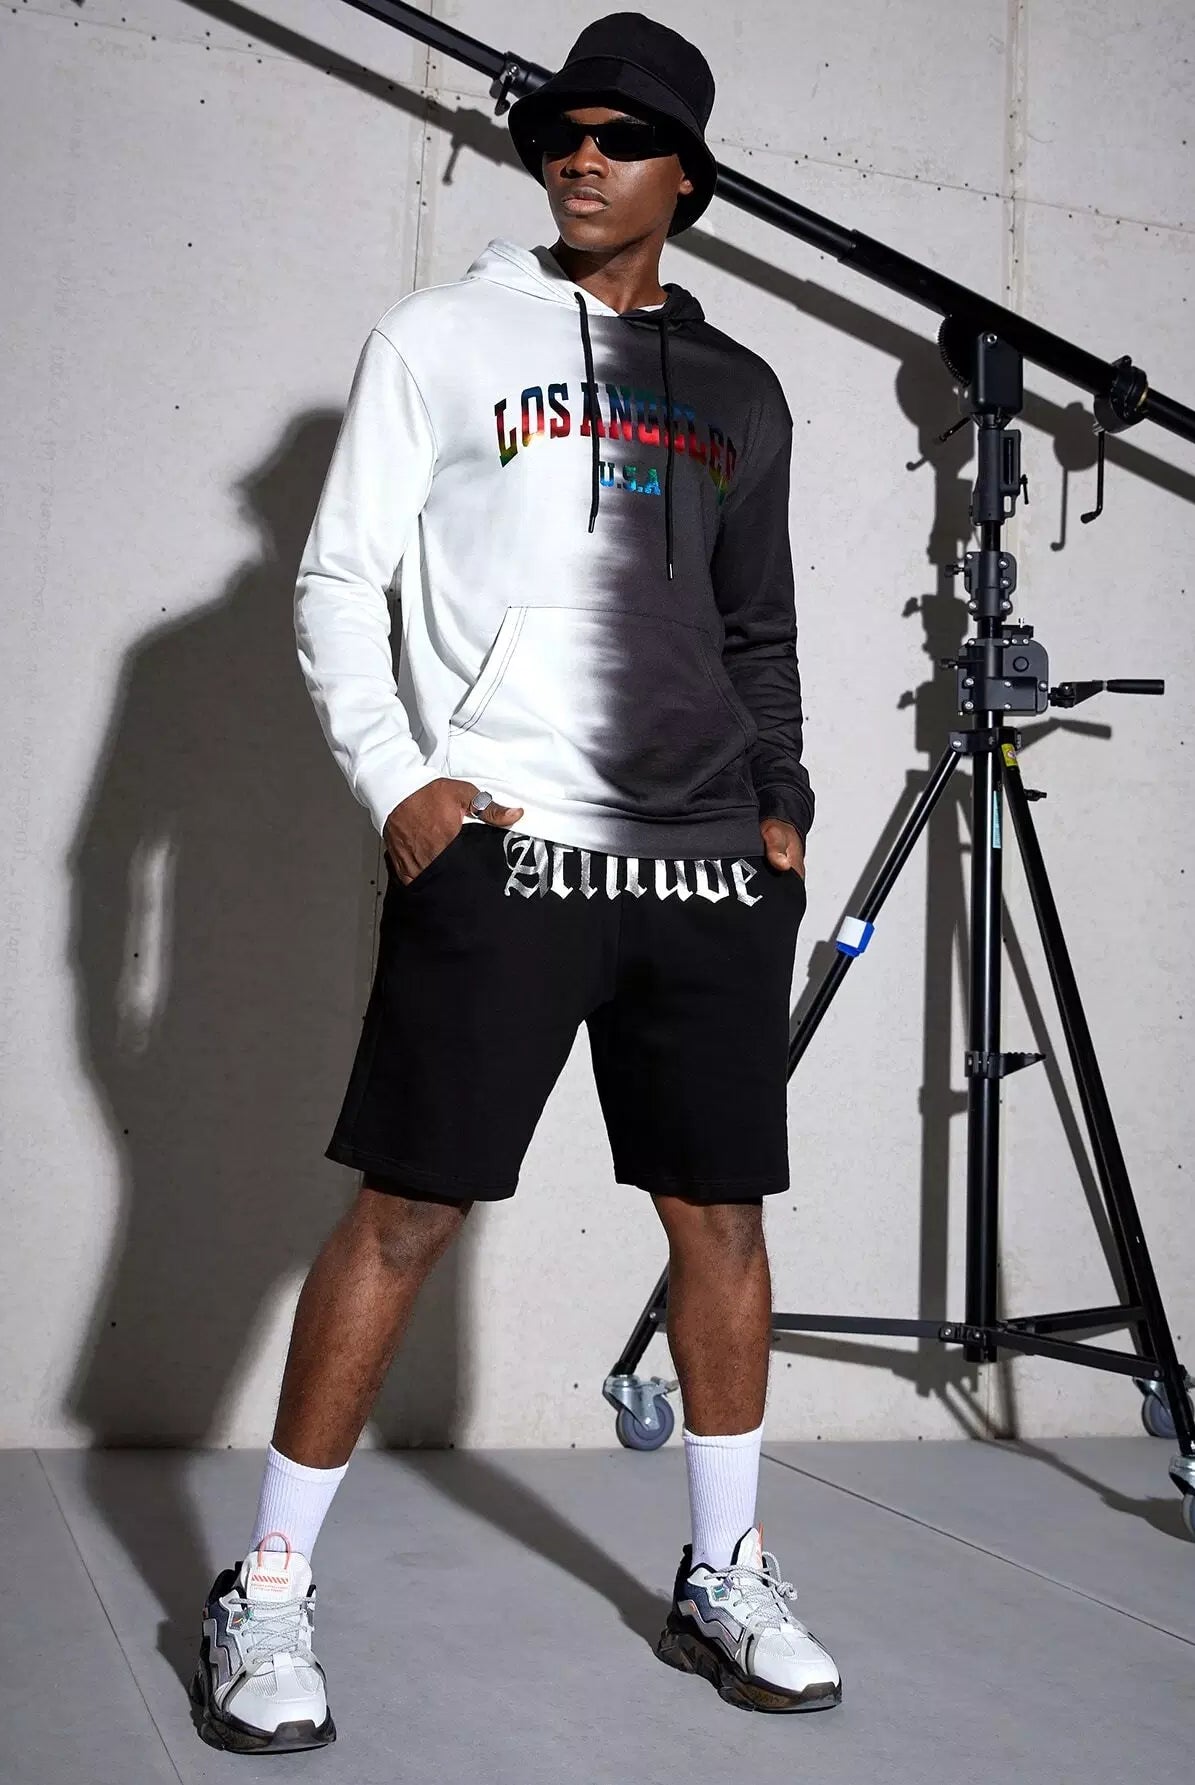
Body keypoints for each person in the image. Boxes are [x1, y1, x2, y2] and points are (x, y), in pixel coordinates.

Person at [191, 11, 841, 1754]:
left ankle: (725, 1570)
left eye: (621, 138)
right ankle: (267, 1587)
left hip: (703, 863)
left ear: (686, 177)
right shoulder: (441, 338)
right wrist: (401, 785)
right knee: (406, 1212)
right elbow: (339, 583)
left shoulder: (741, 390)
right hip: (509, 847)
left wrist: (780, 808)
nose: (581, 157)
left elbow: (760, 628)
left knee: (720, 1222)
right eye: (564, 132)